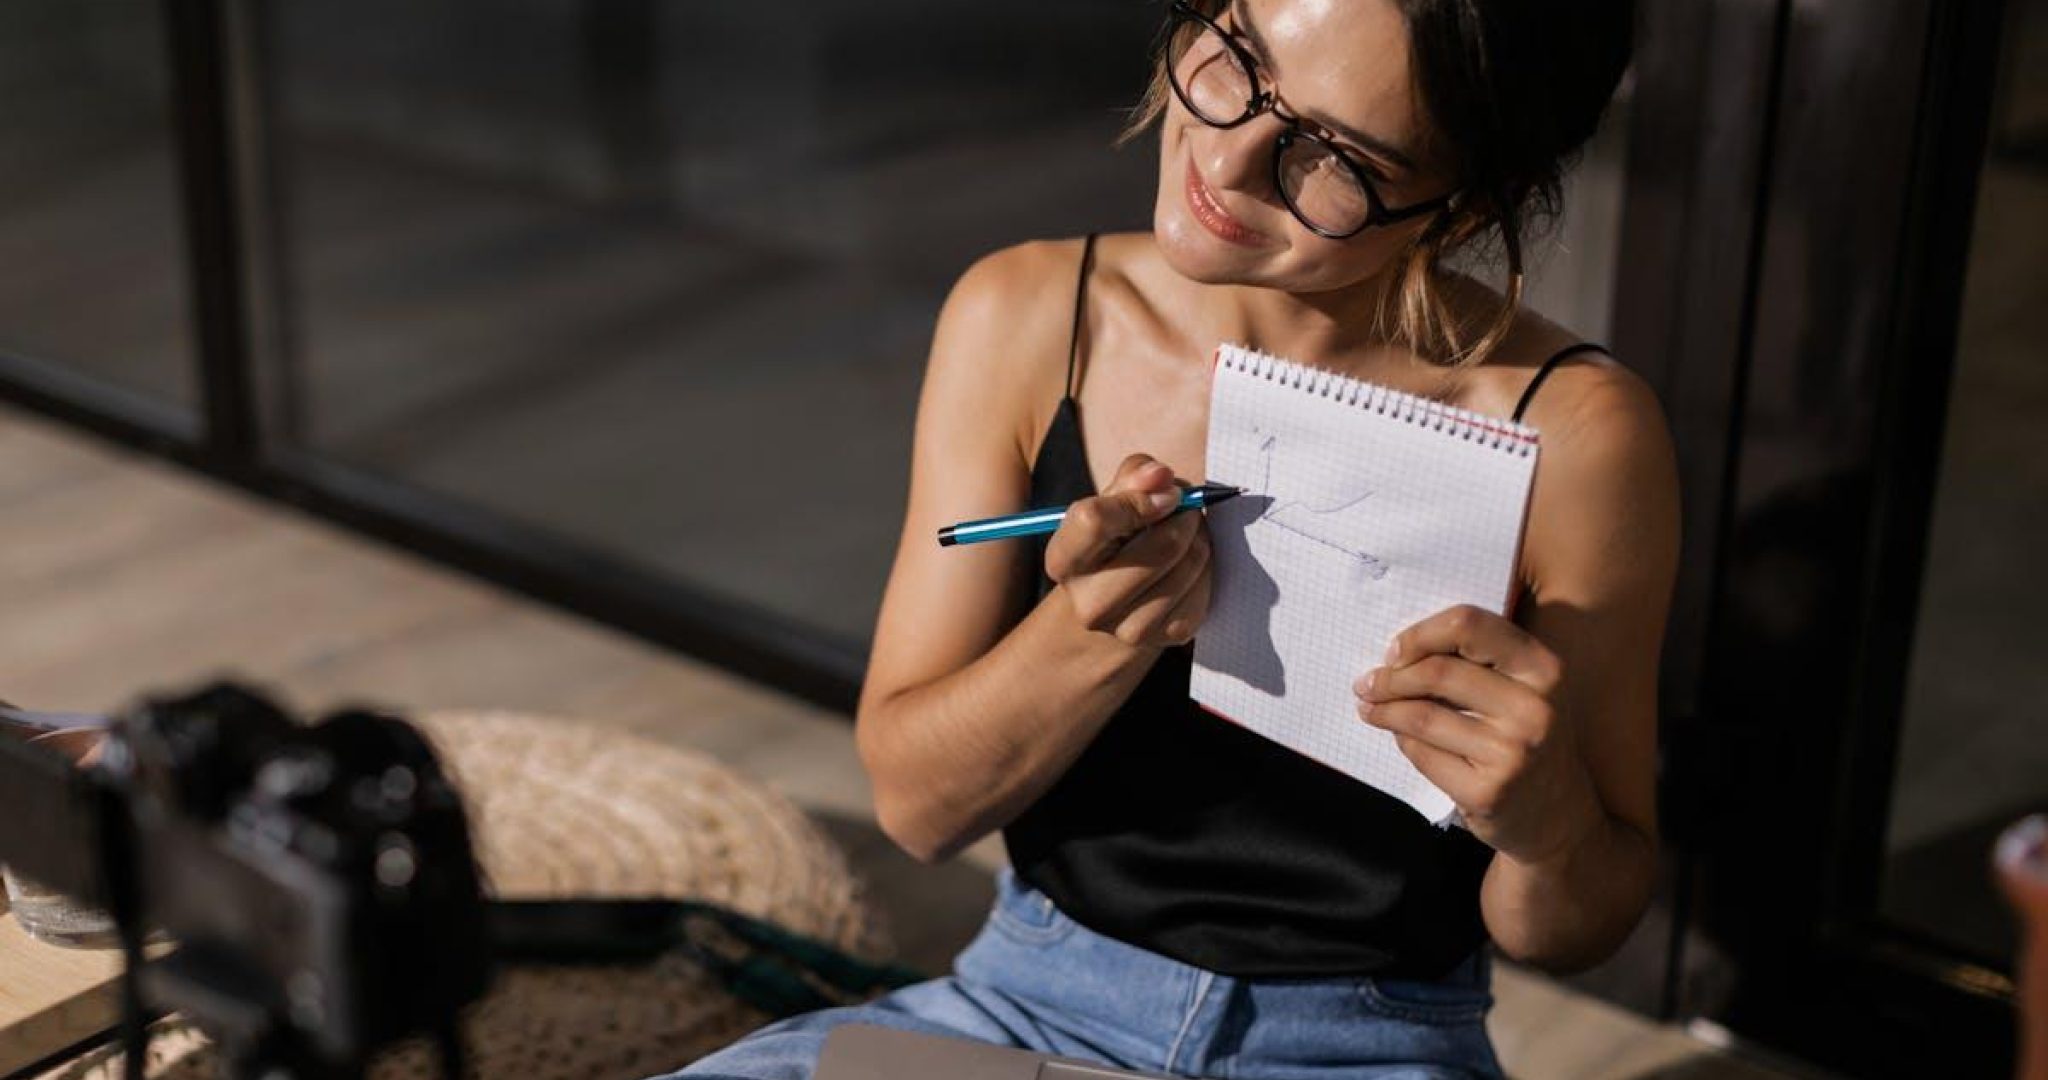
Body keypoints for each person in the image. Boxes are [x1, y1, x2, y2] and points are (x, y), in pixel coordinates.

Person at [661, 0, 1673, 1076]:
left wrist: (1547, 823)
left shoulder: (1567, 433)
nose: (1227, 156)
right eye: (1236, 57)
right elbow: (917, 807)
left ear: (1471, 200)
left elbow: (1578, 925)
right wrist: (1091, 635)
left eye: (1329, 154)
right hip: (1022, 1014)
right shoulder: (1032, 315)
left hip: (1366, 1047)